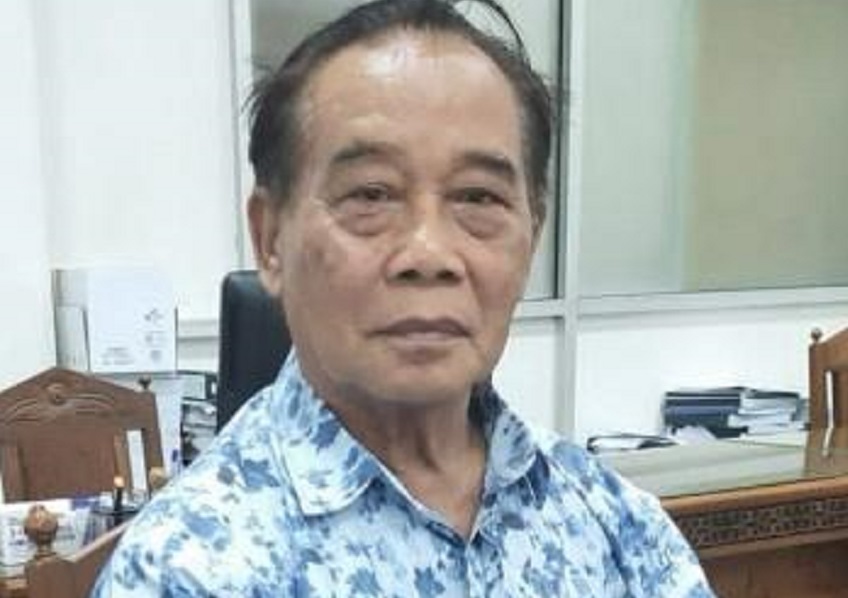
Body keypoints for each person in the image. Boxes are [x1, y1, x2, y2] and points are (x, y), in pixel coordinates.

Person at [93, 0, 714, 595]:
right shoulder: (189, 568)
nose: (429, 253)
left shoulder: (616, 526)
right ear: (270, 239)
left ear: (533, 236)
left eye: (478, 198)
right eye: (371, 195)